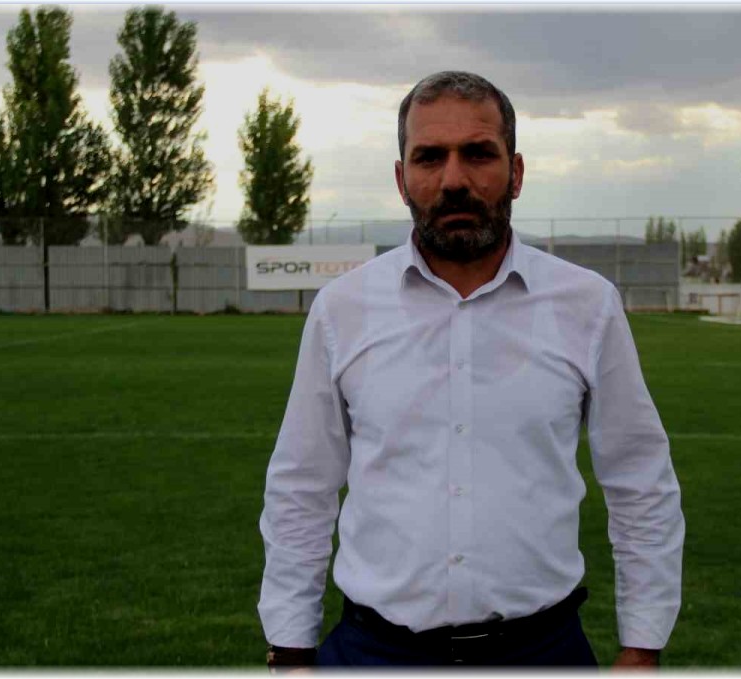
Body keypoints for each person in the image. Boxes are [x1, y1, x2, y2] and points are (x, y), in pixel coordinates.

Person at [258, 70, 684, 669]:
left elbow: (640, 481)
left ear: (516, 172)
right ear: (401, 179)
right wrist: (290, 647)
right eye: (429, 157)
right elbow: (302, 487)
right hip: (374, 652)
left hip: (543, 652)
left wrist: (643, 645)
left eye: (478, 154)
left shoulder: (587, 305)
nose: (454, 179)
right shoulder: (342, 310)